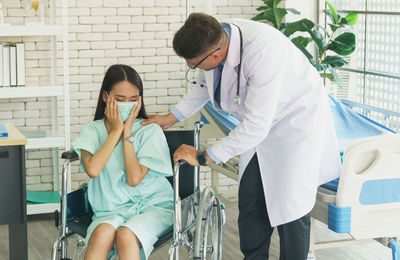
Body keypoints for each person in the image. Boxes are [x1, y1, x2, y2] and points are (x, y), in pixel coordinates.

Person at [142, 13, 342, 260]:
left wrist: (205, 157)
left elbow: (256, 126)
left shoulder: (263, 52)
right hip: (261, 129)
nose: (190, 68)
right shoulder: (215, 36)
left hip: (296, 125)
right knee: (251, 202)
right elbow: (202, 87)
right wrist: (169, 118)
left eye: (193, 64)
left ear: (215, 55)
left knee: (291, 210)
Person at [72, 64, 173, 260]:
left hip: (153, 207)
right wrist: (116, 130)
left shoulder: (148, 130)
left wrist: (128, 133)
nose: (127, 104)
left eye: (133, 100)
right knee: (102, 234)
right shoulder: (91, 131)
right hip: (110, 210)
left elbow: (134, 179)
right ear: (105, 97)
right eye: (119, 100)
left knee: (125, 235)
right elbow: (92, 170)